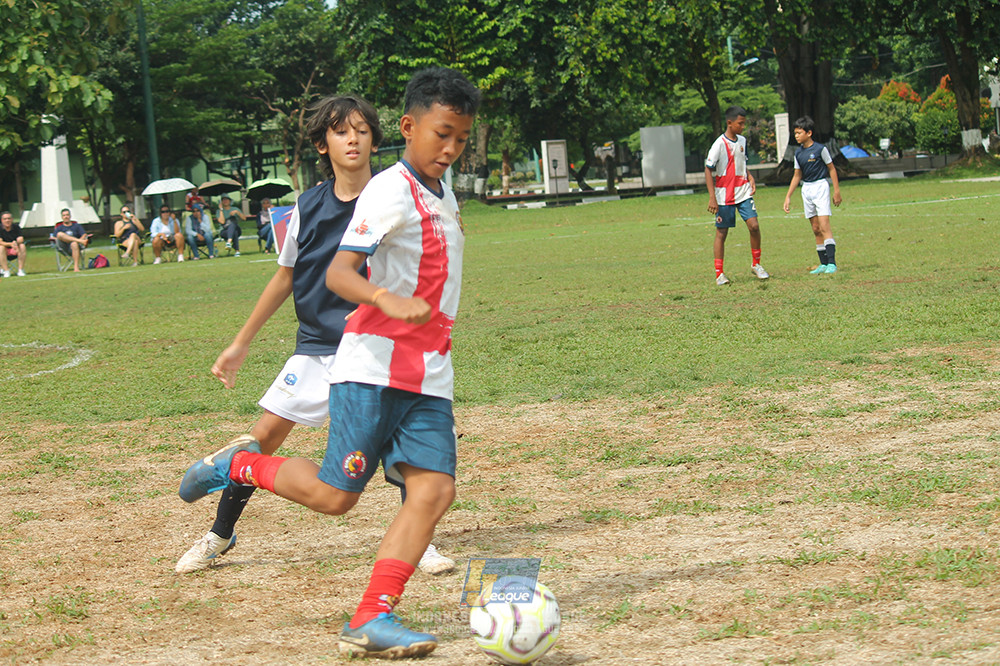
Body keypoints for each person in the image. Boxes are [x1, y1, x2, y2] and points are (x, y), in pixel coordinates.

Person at [179, 67, 481, 659]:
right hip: (372, 368)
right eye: (442, 134)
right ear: (408, 127)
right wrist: (385, 298)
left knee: (433, 490)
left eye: (461, 139)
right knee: (335, 496)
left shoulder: (442, 191)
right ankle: (241, 464)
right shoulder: (388, 190)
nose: (451, 148)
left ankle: (371, 617)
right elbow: (339, 274)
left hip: (428, 370)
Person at [704, 105, 769, 285]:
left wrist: (750, 177)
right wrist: (712, 197)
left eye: (744, 123)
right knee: (722, 232)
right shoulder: (719, 144)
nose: (742, 126)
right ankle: (719, 274)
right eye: (740, 123)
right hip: (724, 194)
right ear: (729, 123)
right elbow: (708, 170)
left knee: (754, 226)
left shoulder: (742, 141)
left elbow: (741, 163)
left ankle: (756, 265)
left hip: (743, 191)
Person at [782, 115, 843, 274]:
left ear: (809, 133)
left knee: (824, 226)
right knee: (815, 228)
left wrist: (836, 191)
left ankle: (832, 263)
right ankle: (823, 263)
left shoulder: (820, 149)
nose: (796, 136)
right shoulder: (798, 153)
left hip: (820, 187)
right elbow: (797, 175)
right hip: (806, 189)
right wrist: (788, 196)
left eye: (799, 133)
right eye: (795, 133)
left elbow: (832, 168)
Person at [53, 208, 92, 273]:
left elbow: (84, 234)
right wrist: (80, 241)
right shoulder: (59, 228)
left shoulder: (76, 226)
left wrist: (80, 240)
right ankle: (79, 241)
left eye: (67, 215)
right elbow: (54, 237)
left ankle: (76, 268)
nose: (66, 217)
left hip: (76, 247)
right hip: (64, 247)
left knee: (74, 243)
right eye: (64, 215)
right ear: (62, 217)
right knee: (59, 234)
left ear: (70, 216)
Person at [0, 211, 27, 277]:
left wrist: (16, 243)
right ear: (2, 220)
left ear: (12, 219)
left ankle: (21, 270)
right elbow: (0, 242)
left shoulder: (16, 227)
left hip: (16, 249)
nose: (7, 220)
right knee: (1, 247)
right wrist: (10, 244)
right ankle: (6, 271)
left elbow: (21, 239)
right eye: (5, 219)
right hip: (4, 250)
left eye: (9, 218)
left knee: (22, 246)